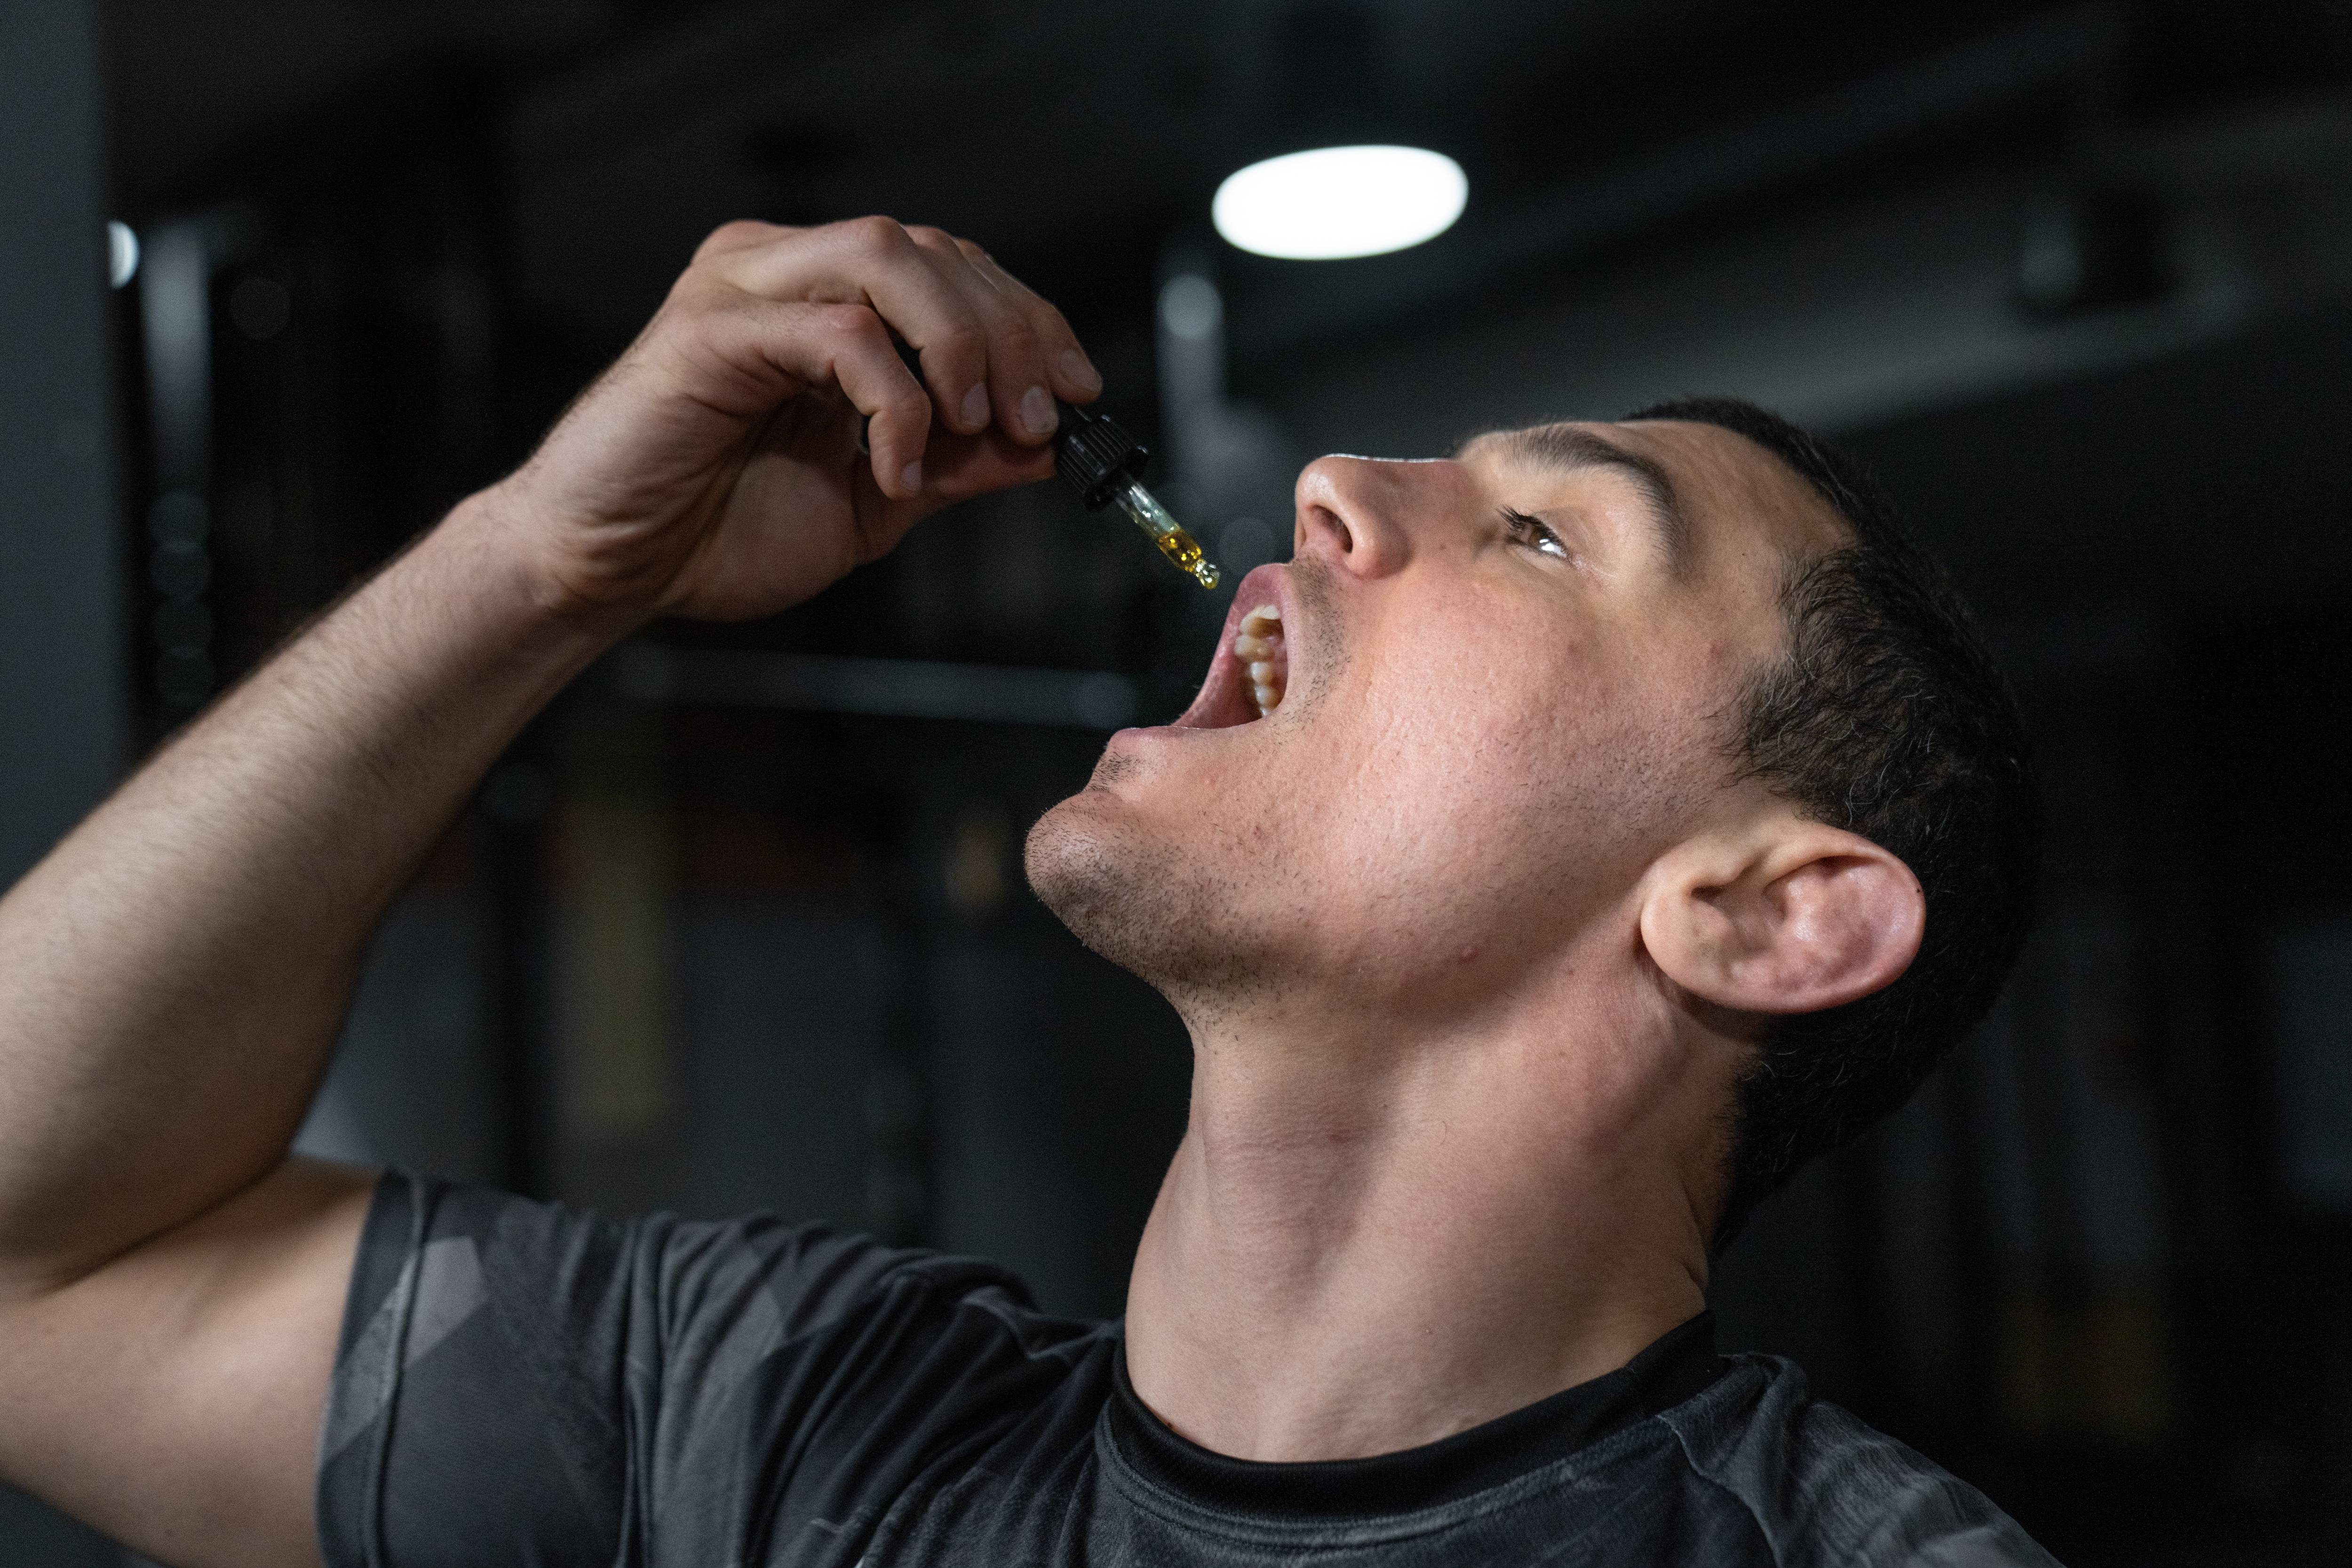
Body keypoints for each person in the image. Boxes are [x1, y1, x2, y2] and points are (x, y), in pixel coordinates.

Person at [0, 216, 2047, 1568]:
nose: (1338, 486)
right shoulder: (777, 1438)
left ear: (1765, 915)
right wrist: (543, 560)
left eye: (1537, 538)